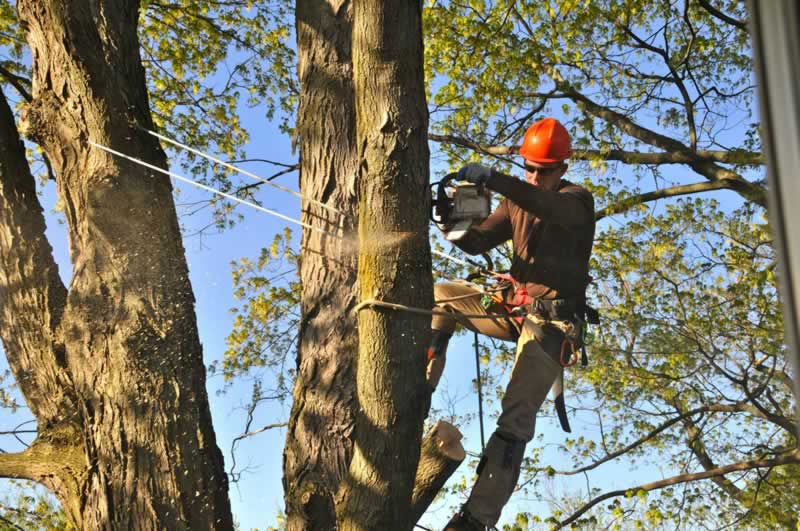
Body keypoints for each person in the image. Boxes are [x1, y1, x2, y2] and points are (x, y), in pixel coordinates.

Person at [428, 117, 595, 530]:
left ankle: (475, 518)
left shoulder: (576, 201)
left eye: (546, 170)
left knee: (515, 418)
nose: (537, 177)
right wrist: (452, 221)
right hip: (514, 308)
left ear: (563, 169)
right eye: (531, 168)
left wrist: (495, 178)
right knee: (440, 295)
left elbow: (547, 206)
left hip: (553, 327)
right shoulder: (518, 200)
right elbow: (478, 240)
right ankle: (420, 387)